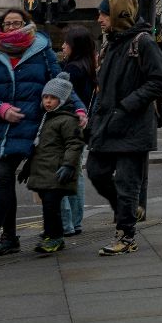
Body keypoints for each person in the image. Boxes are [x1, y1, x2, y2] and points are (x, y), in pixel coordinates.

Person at [0, 8, 78, 258]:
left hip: (29, 125)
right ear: (1, 26)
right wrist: (0, 108)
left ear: (27, 25)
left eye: (17, 22)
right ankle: (9, 238)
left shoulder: (42, 51)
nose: (11, 27)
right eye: (7, 23)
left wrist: (79, 109)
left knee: (3, 177)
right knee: (3, 181)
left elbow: (60, 85)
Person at [87, 0, 162, 256]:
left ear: (118, 14)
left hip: (133, 125)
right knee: (96, 171)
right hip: (108, 124)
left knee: (127, 182)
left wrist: (127, 106)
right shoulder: (110, 44)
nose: (99, 18)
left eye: (103, 13)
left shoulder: (143, 42)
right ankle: (128, 209)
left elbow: (159, 81)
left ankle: (126, 236)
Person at [21, 75, 85, 256]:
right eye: (45, 97)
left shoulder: (66, 120)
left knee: (52, 206)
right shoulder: (45, 118)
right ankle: (51, 235)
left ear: (62, 100)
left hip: (56, 171)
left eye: (52, 98)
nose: (48, 101)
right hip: (43, 171)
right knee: (48, 206)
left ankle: (55, 237)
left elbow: (74, 144)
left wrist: (68, 165)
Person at [56, 27, 98, 237]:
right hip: (81, 128)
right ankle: (76, 221)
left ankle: (65, 223)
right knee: (76, 173)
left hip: (66, 126)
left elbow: (60, 98)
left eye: (66, 43)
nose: (63, 46)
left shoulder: (71, 71)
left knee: (61, 173)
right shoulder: (88, 68)